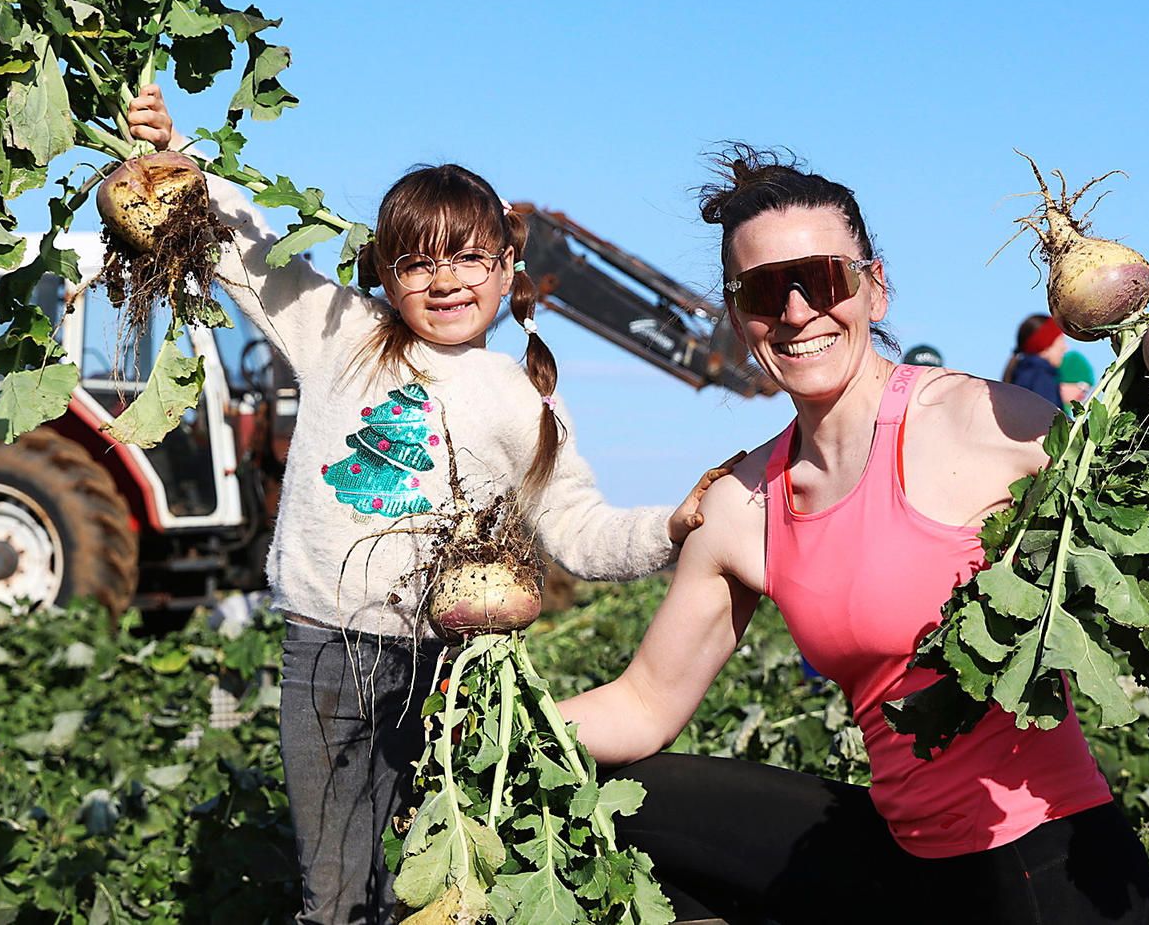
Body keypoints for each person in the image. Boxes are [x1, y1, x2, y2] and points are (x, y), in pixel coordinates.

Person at [126, 87, 729, 925]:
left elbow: (582, 530)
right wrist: (175, 151)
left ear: (508, 268)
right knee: (337, 892)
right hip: (327, 656)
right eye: (417, 262)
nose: (444, 280)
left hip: (451, 674)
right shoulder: (345, 332)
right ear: (386, 274)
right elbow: (249, 246)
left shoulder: (523, 401)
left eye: (468, 258)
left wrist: (673, 523)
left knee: (443, 887)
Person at [558, 147, 1149, 923]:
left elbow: (1145, 497)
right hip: (907, 866)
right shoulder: (742, 505)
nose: (799, 310)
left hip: (1053, 870)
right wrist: (487, 724)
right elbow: (642, 702)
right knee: (624, 807)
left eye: (825, 278)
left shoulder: (989, 423)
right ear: (740, 317)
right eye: (767, 290)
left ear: (875, 288)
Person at [1002, 313, 1068, 407]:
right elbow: (1047, 419)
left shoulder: (1022, 373)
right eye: (1061, 341)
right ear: (1045, 346)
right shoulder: (1041, 378)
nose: (1065, 348)